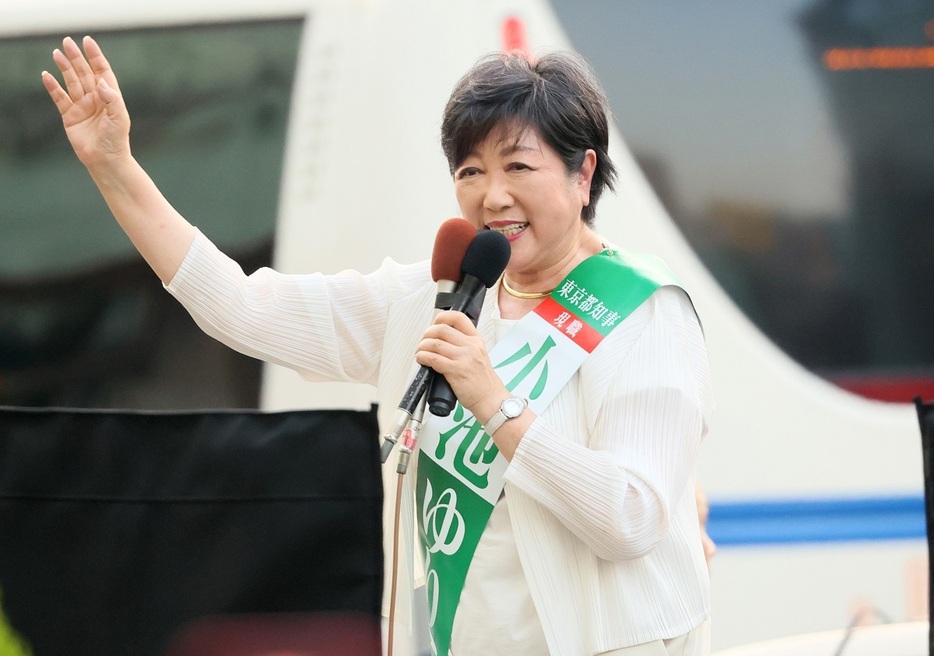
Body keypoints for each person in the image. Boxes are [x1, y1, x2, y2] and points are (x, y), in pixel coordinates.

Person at [42, 36, 714, 656]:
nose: (493, 196)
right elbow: (242, 309)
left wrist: (496, 403)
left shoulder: (643, 314)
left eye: (518, 166)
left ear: (583, 173)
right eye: (471, 171)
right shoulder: (435, 296)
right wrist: (114, 168)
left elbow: (631, 519)